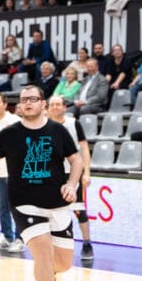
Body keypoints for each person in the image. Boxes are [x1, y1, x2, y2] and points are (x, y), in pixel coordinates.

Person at [0, 85, 83, 281]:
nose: (27, 103)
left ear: (42, 104)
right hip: (24, 203)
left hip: (57, 203)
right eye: (24, 100)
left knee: (64, 263)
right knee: (44, 255)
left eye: (33, 99)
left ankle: (49, 276)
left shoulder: (58, 131)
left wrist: (72, 183)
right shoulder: (9, 134)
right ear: (18, 107)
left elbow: (76, 159)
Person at [47, 95, 95, 261]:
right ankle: (59, 244)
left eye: (57, 104)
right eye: (51, 104)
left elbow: (85, 149)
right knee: (54, 210)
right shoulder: (43, 125)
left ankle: (87, 243)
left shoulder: (73, 123)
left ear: (64, 107)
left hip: (73, 172)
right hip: (52, 174)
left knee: (79, 209)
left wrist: (87, 172)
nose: (54, 107)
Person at [0, 92, 24, 252]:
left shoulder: (14, 120)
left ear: (5, 104)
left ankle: (20, 239)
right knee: (2, 207)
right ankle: (7, 237)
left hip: (13, 171)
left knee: (16, 206)